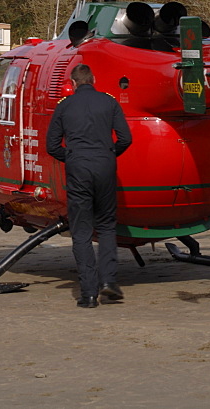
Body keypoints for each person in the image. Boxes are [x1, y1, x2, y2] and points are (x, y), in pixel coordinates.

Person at [46, 64, 133, 308]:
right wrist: (108, 154)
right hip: (105, 166)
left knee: (82, 230)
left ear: (73, 83)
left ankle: (89, 293)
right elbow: (126, 138)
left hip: (79, 168)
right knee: (106, 226)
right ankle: (108, 281)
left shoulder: (64, 105)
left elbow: (51, 146)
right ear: (93, 80)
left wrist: (73, 157)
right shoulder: (109, 102)